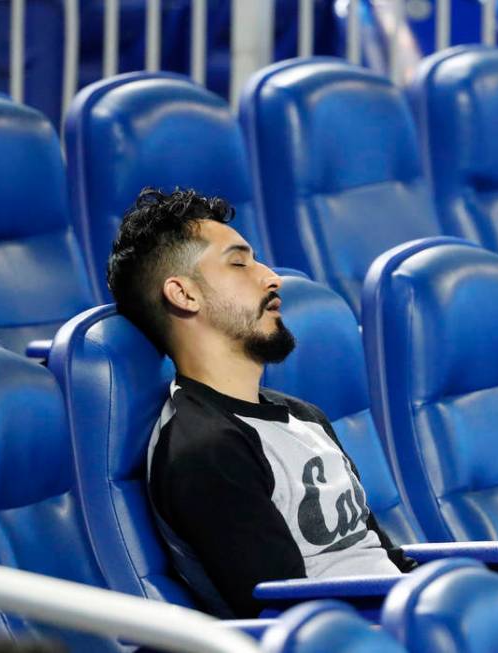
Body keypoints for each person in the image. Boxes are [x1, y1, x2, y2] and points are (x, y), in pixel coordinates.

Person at [106, 188, 416, 618]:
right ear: (183, 294)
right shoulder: (205, 449)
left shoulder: (304, 416)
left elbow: (384, 558)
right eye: (239, 263)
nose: (271, 277)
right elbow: (285, 615)